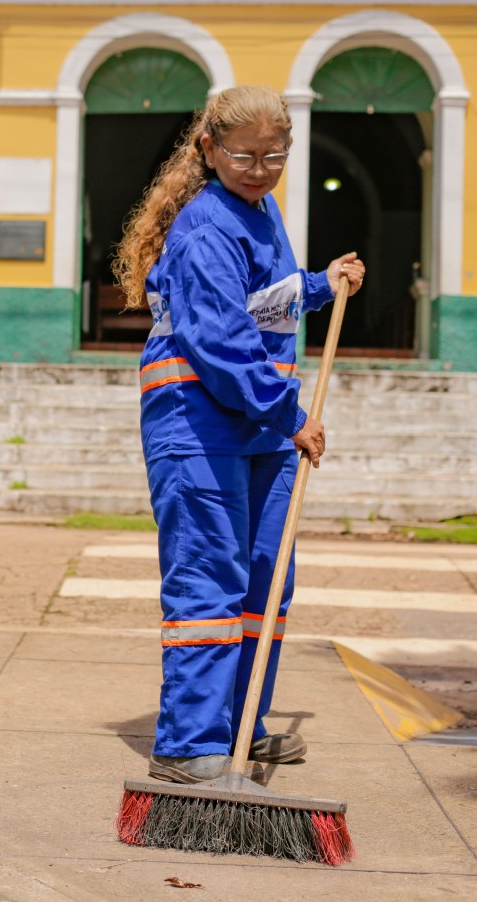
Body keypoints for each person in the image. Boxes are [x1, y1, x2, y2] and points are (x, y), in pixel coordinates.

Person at [113, 85, 365, 784]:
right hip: (198, 421)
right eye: (244, 155)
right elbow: (220, 340)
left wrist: (323, 283)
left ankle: (240, 726)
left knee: (266, 577)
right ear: (209, 150)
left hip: (260, 426)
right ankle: (188, 741)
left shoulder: (263, 213)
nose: (259, 167)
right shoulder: (204, 227)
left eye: (274, 154)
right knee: (210, 580)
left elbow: (265, 300)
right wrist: (291, 417)